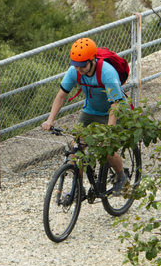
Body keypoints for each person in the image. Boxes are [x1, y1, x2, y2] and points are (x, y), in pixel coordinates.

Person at [40, 37, 130, 195]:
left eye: (83, 66)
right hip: (91, 111)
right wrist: (50, 119)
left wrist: (109, 130)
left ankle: (122, 177)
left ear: (92, 60)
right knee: (76, 148)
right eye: (76, 66)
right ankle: (78, 187)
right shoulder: (74, 71)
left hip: (114, 111)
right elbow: (61, 95)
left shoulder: (107, 73)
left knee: (107, 147)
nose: (79, 70)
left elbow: (115, 104)